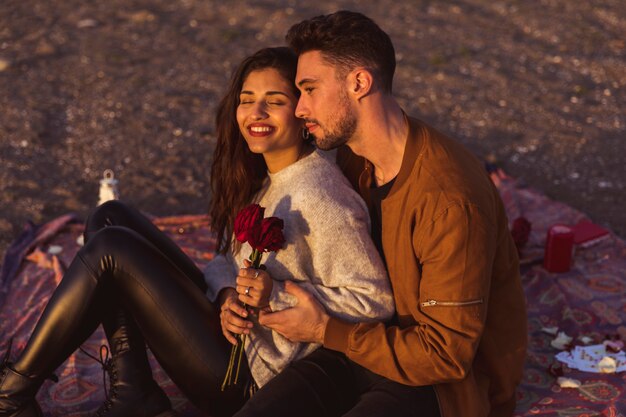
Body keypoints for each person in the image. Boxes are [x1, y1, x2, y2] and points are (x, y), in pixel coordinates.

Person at [0, 47, 394, 417]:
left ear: (303, 111)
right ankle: (133, 390)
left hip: (252, 376)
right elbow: (226, 258)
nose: (256, 111)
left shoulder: (320, 197)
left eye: (275, 101)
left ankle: (11, 393)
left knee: (110, 249)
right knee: (110, 216)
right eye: (247, 99)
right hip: (233, 335)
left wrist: (278, 298)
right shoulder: (270, 179)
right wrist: (225, 294)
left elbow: (375, 300)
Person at [234, 11, 527, 417]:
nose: (300, 108)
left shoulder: (449, 198)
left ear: (359, 82)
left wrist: (323, 329)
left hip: (444, 387)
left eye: (309, 89)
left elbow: (446, 357)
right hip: (362, 347)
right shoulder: (356, 159)